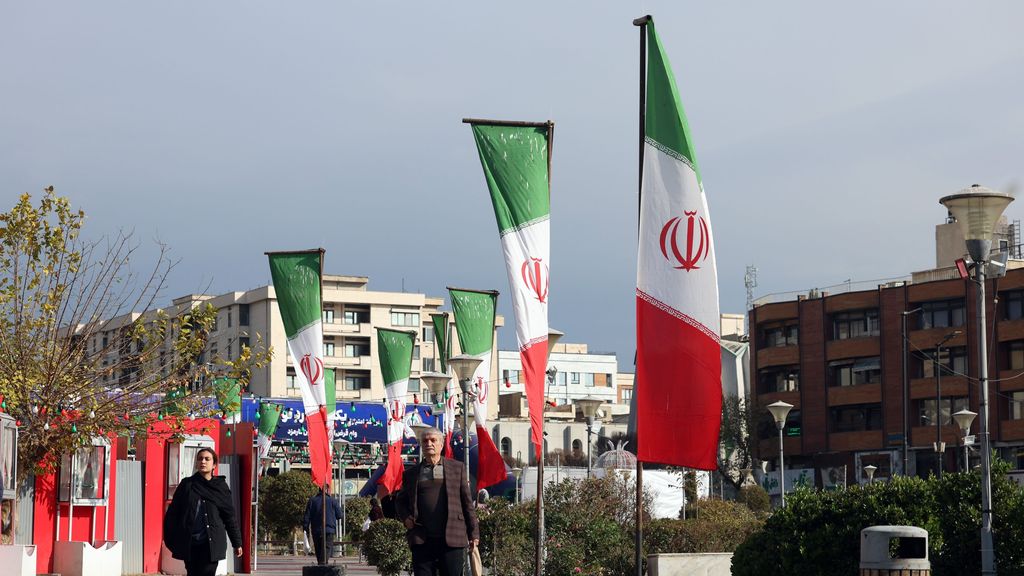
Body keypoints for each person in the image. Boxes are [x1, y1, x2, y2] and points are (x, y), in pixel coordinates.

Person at [395, 427, 479, 576]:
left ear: (441, 444)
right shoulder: (411, 474)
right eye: (425, 441)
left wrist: (474, 534)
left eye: (433, 440)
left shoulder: (457, 468)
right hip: (422, 540)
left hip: (453, 538)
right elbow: (400, 501)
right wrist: (406, 518)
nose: (429, 443)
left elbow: (467, 504)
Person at [163, 447, 243, 576]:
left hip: (211, 544)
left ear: (214, 465)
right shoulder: (187, 485)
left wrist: (237, 542)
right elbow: (173, 515)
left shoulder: (221, 487)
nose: (203, 462)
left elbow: (229, 517)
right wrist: (171, 539)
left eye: (207, 459)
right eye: (200, 459)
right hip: (190, 543)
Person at [302, 485, 344, 564]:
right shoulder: (333, 501)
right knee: (327, 548)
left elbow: (307, 516)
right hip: (329, 529)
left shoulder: (312, 501)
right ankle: (323, 565)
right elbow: (339, 516)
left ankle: (320, 565)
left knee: (318, 549)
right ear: (327, 490)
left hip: (316, 530)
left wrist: (305, 528)